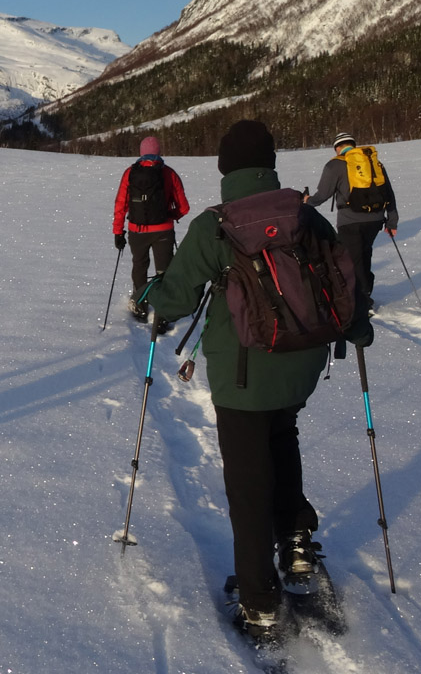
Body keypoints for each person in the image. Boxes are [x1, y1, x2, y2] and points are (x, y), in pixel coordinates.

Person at [142, 120, 373, 642]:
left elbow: (174, 298)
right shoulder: (306, 215)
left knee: (247, 484)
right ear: (270, 163)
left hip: (243, 376)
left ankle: (260, 602)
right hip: (303, 364)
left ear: (226, 169)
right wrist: (358, 330)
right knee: (283, 440)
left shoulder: (215, 226)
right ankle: (295, 546)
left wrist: (154, 299)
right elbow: (344, 282)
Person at [304, 132, 398, 314]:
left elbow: (322, 195)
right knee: (364, 255)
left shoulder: (335, 165)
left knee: (351, 261)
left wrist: (307, 201)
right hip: (376, 219)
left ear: (337, 148)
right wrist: (392, 221)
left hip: (350, 221)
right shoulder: (373, 163)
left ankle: (362, 302)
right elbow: (389, 193)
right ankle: (364, 294)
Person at [112, 136, 190, 328]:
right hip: (163, 230)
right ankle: (162, 313)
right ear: (159, 152)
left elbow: (120, 205)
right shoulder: (169, 173)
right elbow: (184, 207)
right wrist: (170, 215)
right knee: (164, 271)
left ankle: (140, 305)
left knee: (139, 266)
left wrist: (118, 232)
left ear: (141, 152)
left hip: (136, 231)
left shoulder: (130, 173)